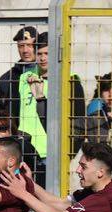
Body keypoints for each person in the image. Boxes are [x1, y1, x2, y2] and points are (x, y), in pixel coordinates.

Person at [17, 31, 86, 170]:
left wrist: (68, 154)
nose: (43, 58)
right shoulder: (24, 77)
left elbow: (78, 123)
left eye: (47, 54)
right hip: (23, 148)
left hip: (51, 152)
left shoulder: (69, 80)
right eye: (39, 54)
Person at [0, 26, 38, 118]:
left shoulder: (49, 73)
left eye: (29, 45)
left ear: (38, 46)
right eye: (21, 46)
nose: (25, 50)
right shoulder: (7, 78)